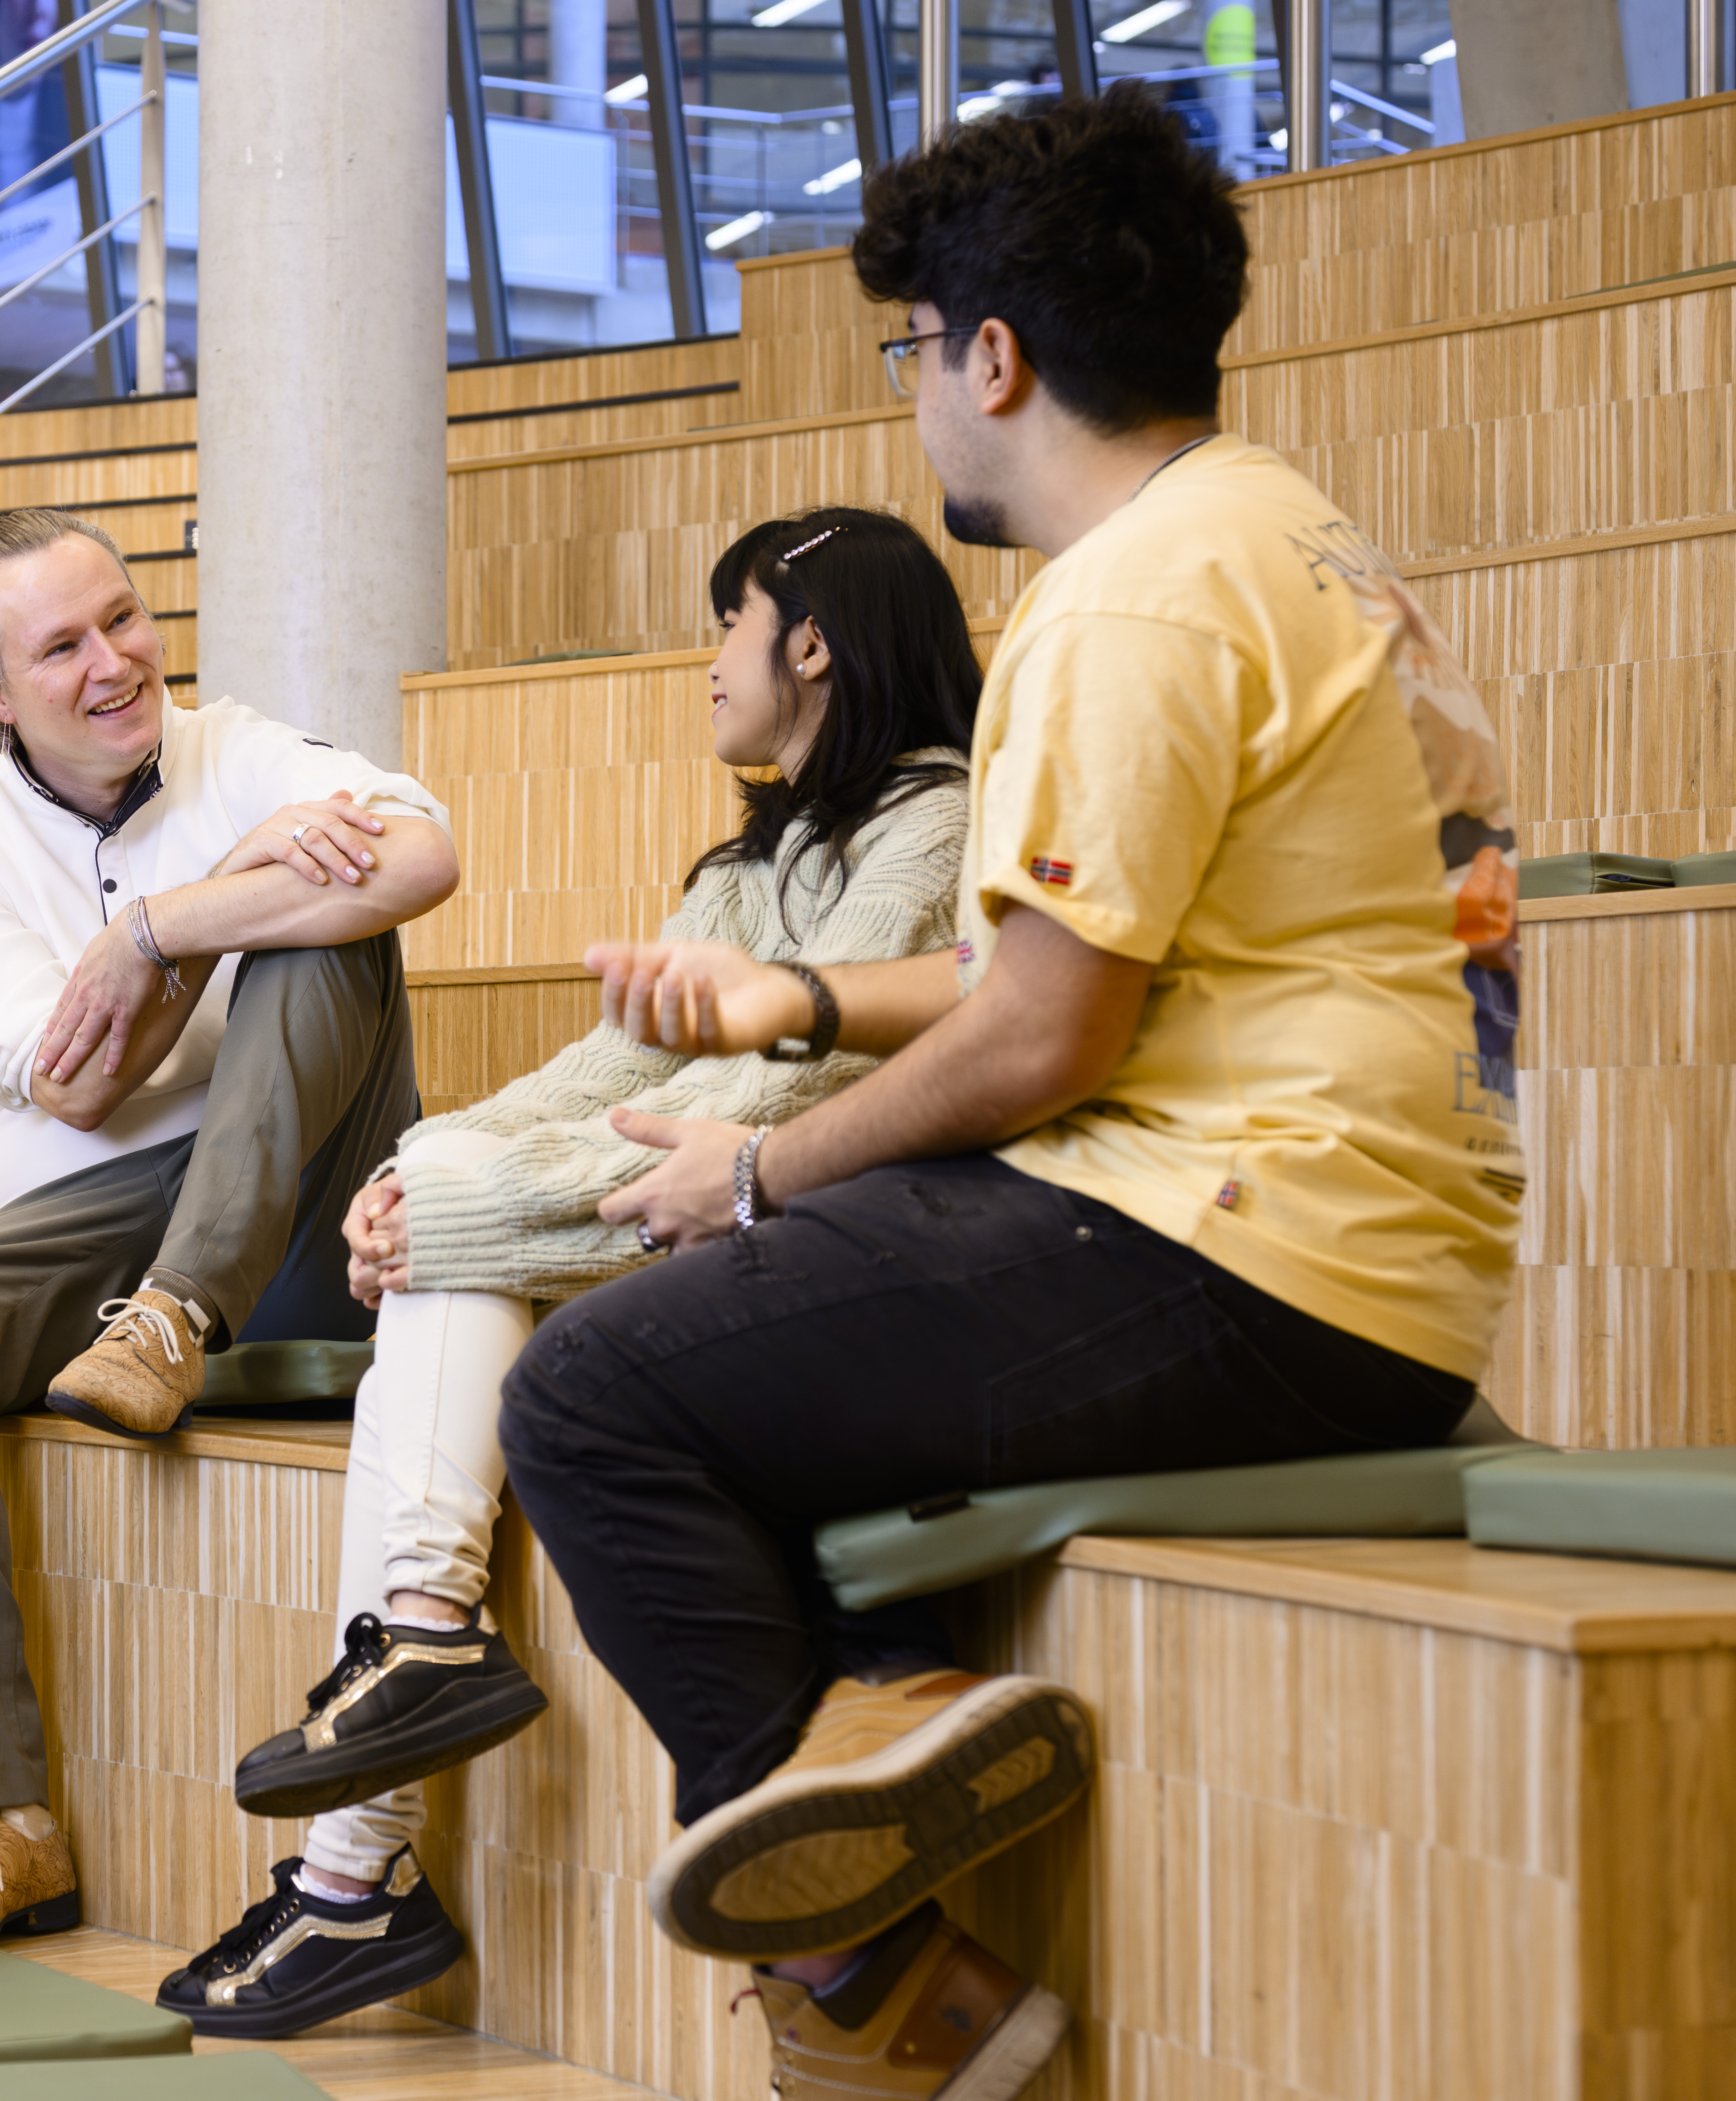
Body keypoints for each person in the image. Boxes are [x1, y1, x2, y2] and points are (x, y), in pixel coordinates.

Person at [492, 88, 1521, 2101]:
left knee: (594, 1393)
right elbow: (1042, 972)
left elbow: (1045, 1042)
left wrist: (758, 1172)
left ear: (991, 354)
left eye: (911, 353)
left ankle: (874, 1984)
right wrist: (787, 997)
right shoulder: (1273, 527)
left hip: (1251, 1252)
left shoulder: (1126, 596)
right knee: (789, 1333)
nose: (916, 408)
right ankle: (881, 1718)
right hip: (1342, 1240)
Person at [157, 507, 983, 2038]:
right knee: (448, 1232)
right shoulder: (754, 853)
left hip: (808, 1234)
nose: (706, 663)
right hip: (688, 1213)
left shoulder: (927, 825)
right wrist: (424, 1162)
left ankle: (361, 1837)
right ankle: (383, 1744)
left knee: (453, 1244)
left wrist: (456, 1197)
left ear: (808, 640)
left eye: (725, 625)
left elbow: (778, 1100)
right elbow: (603, 1067)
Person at [0, 506, 462, 1938]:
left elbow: (424, 861)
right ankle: (6, 1823)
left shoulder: (239, 744)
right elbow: (75, 1078)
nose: (117, 661)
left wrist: (169, 925)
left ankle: (181, 1309)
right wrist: (206, 909)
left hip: (308, 1206)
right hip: (87, 1225)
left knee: (339, 931)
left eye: (124, 616)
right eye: (62, 646)